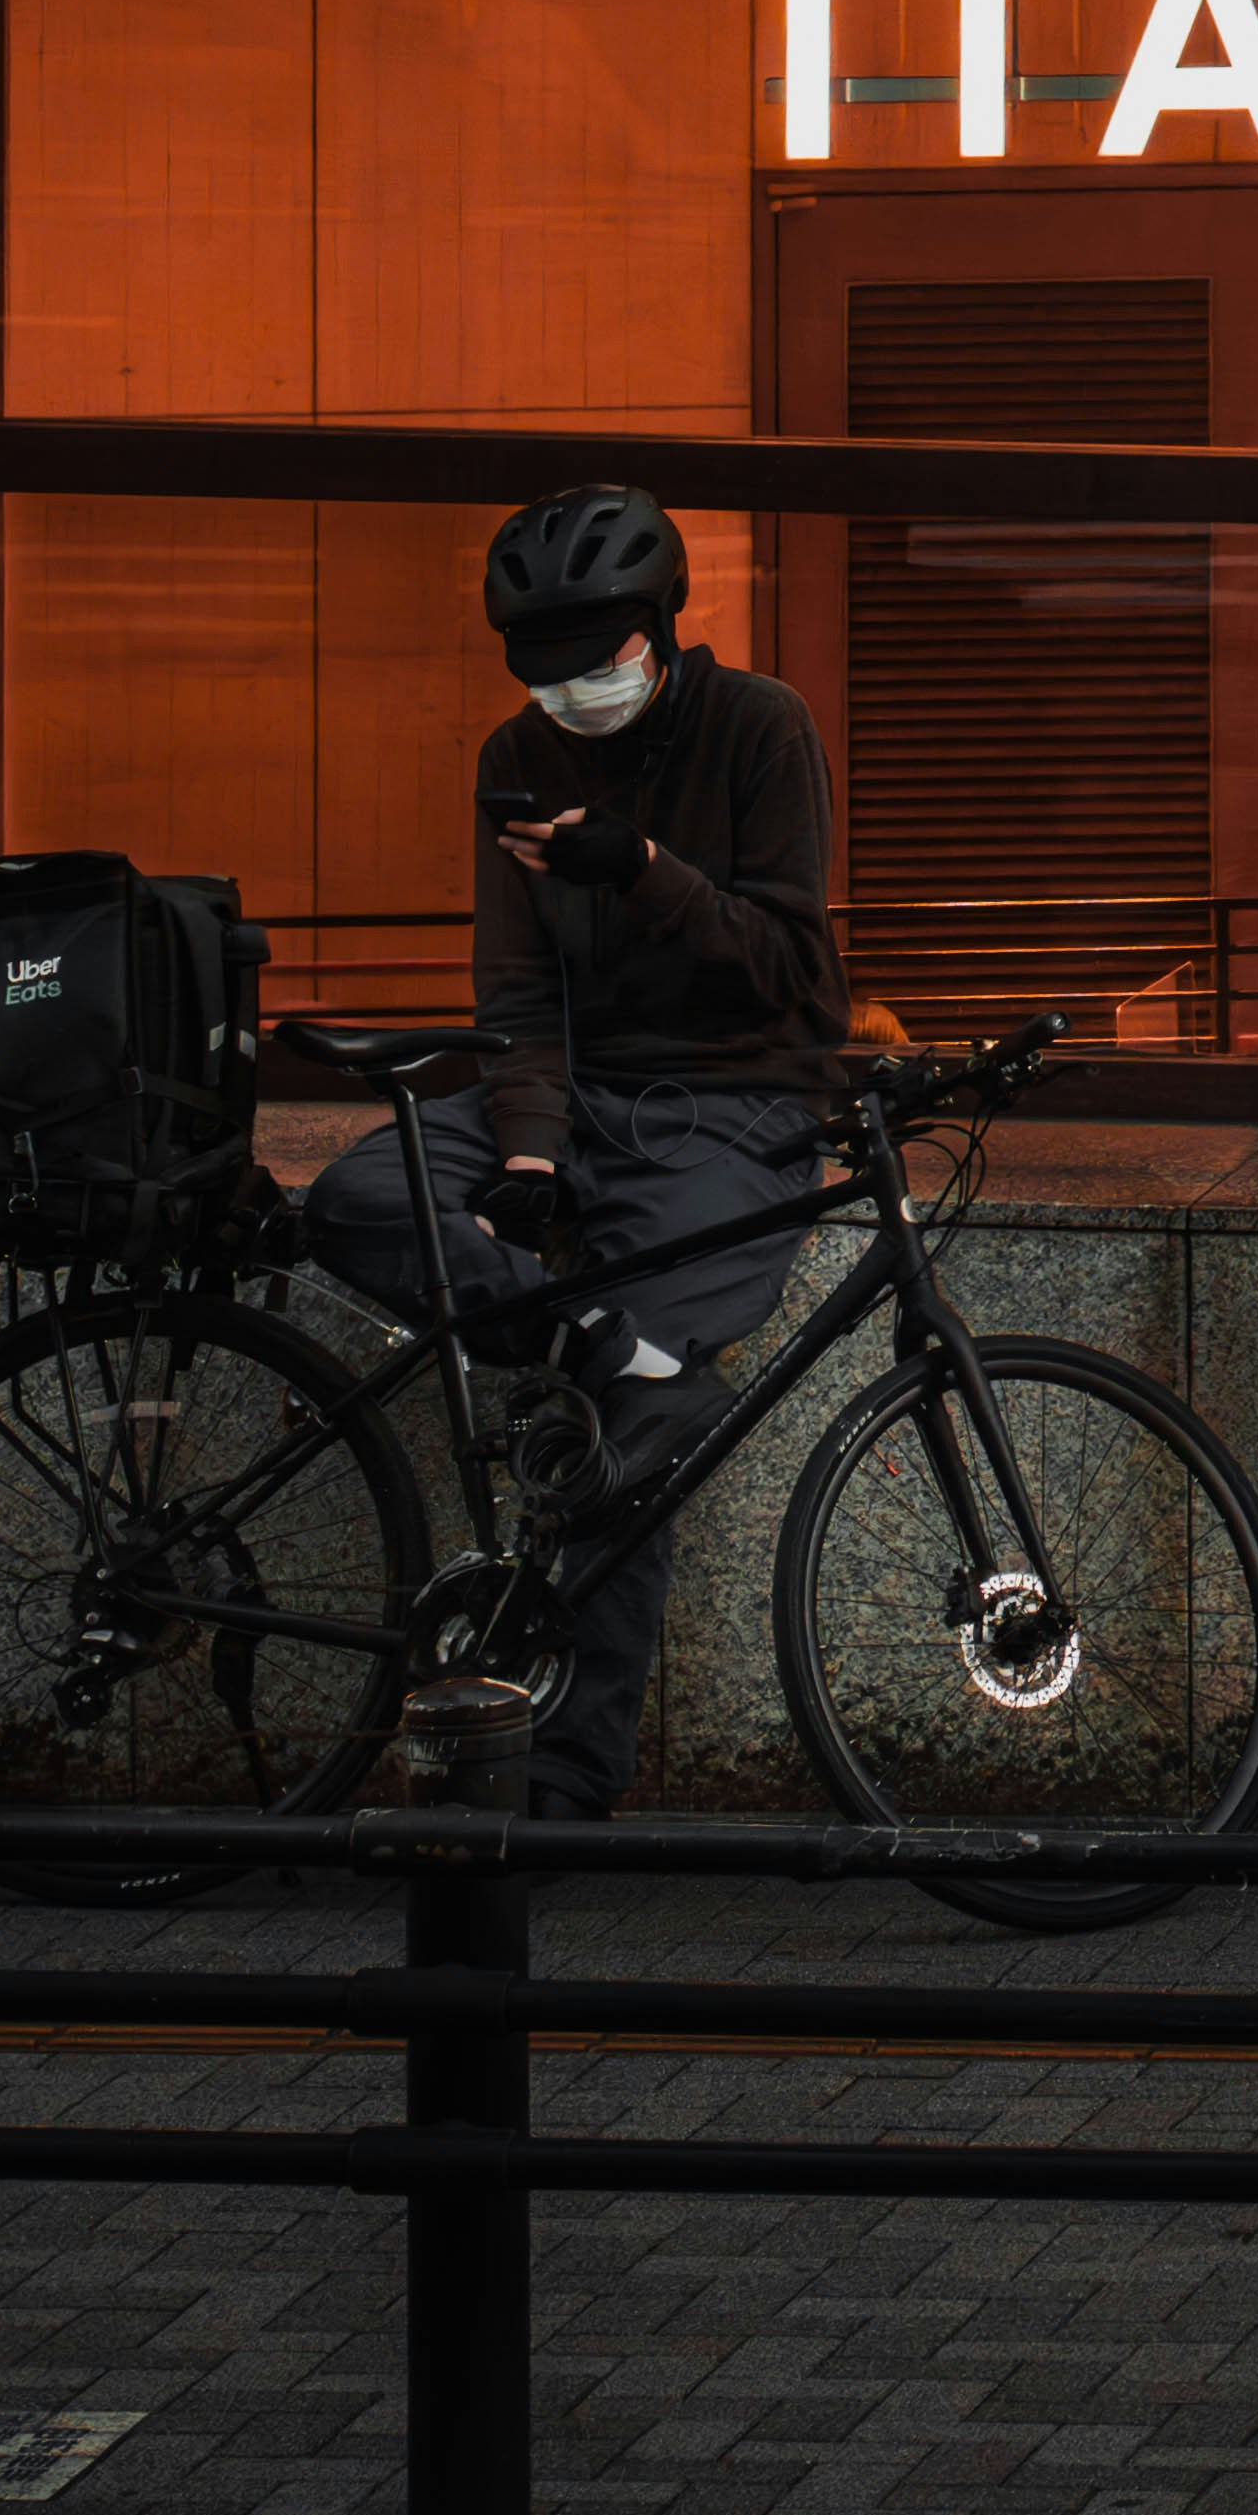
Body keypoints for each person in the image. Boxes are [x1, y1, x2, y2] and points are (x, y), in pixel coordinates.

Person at [300, 483, 846, 1816]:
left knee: (637, 1421)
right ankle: (577, 1340)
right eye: (545, 675)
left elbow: (796, 981)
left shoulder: (759, 728)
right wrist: (529, 1157)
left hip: (732, 1112)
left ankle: (567, 1774)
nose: (574, 694)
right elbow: (518, 998)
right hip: (577, 1104)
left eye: (597, 665)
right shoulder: (517, 757)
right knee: (360, 1194)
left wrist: (644, 869)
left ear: (658, 630)